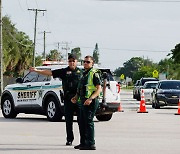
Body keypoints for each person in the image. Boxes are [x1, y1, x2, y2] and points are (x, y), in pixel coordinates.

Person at [30, 54, 82, 146]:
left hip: (79, 99)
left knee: (81, 121)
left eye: (73, 61)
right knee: (68, 121)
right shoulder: (64, 71)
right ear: (68, 62)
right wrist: (37, 71)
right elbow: (50, 73)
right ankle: (69, 139)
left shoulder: (81, 72)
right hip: (68, 98)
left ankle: (83, 140)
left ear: (77, 61)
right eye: (70, 61)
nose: (72, 62)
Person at [71, 55, 102, 150]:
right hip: (83, 101)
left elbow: (99, 89)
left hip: (91, 101)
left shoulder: (94, 73)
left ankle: (91, 143)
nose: (85, 63)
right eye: (84, 61)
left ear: (92, 63)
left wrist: (91, 98)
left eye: (88, 62)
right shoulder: (84, 73)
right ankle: (83, 142)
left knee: (88, 122)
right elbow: (81, 88)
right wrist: (76, 97)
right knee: (81, 122)